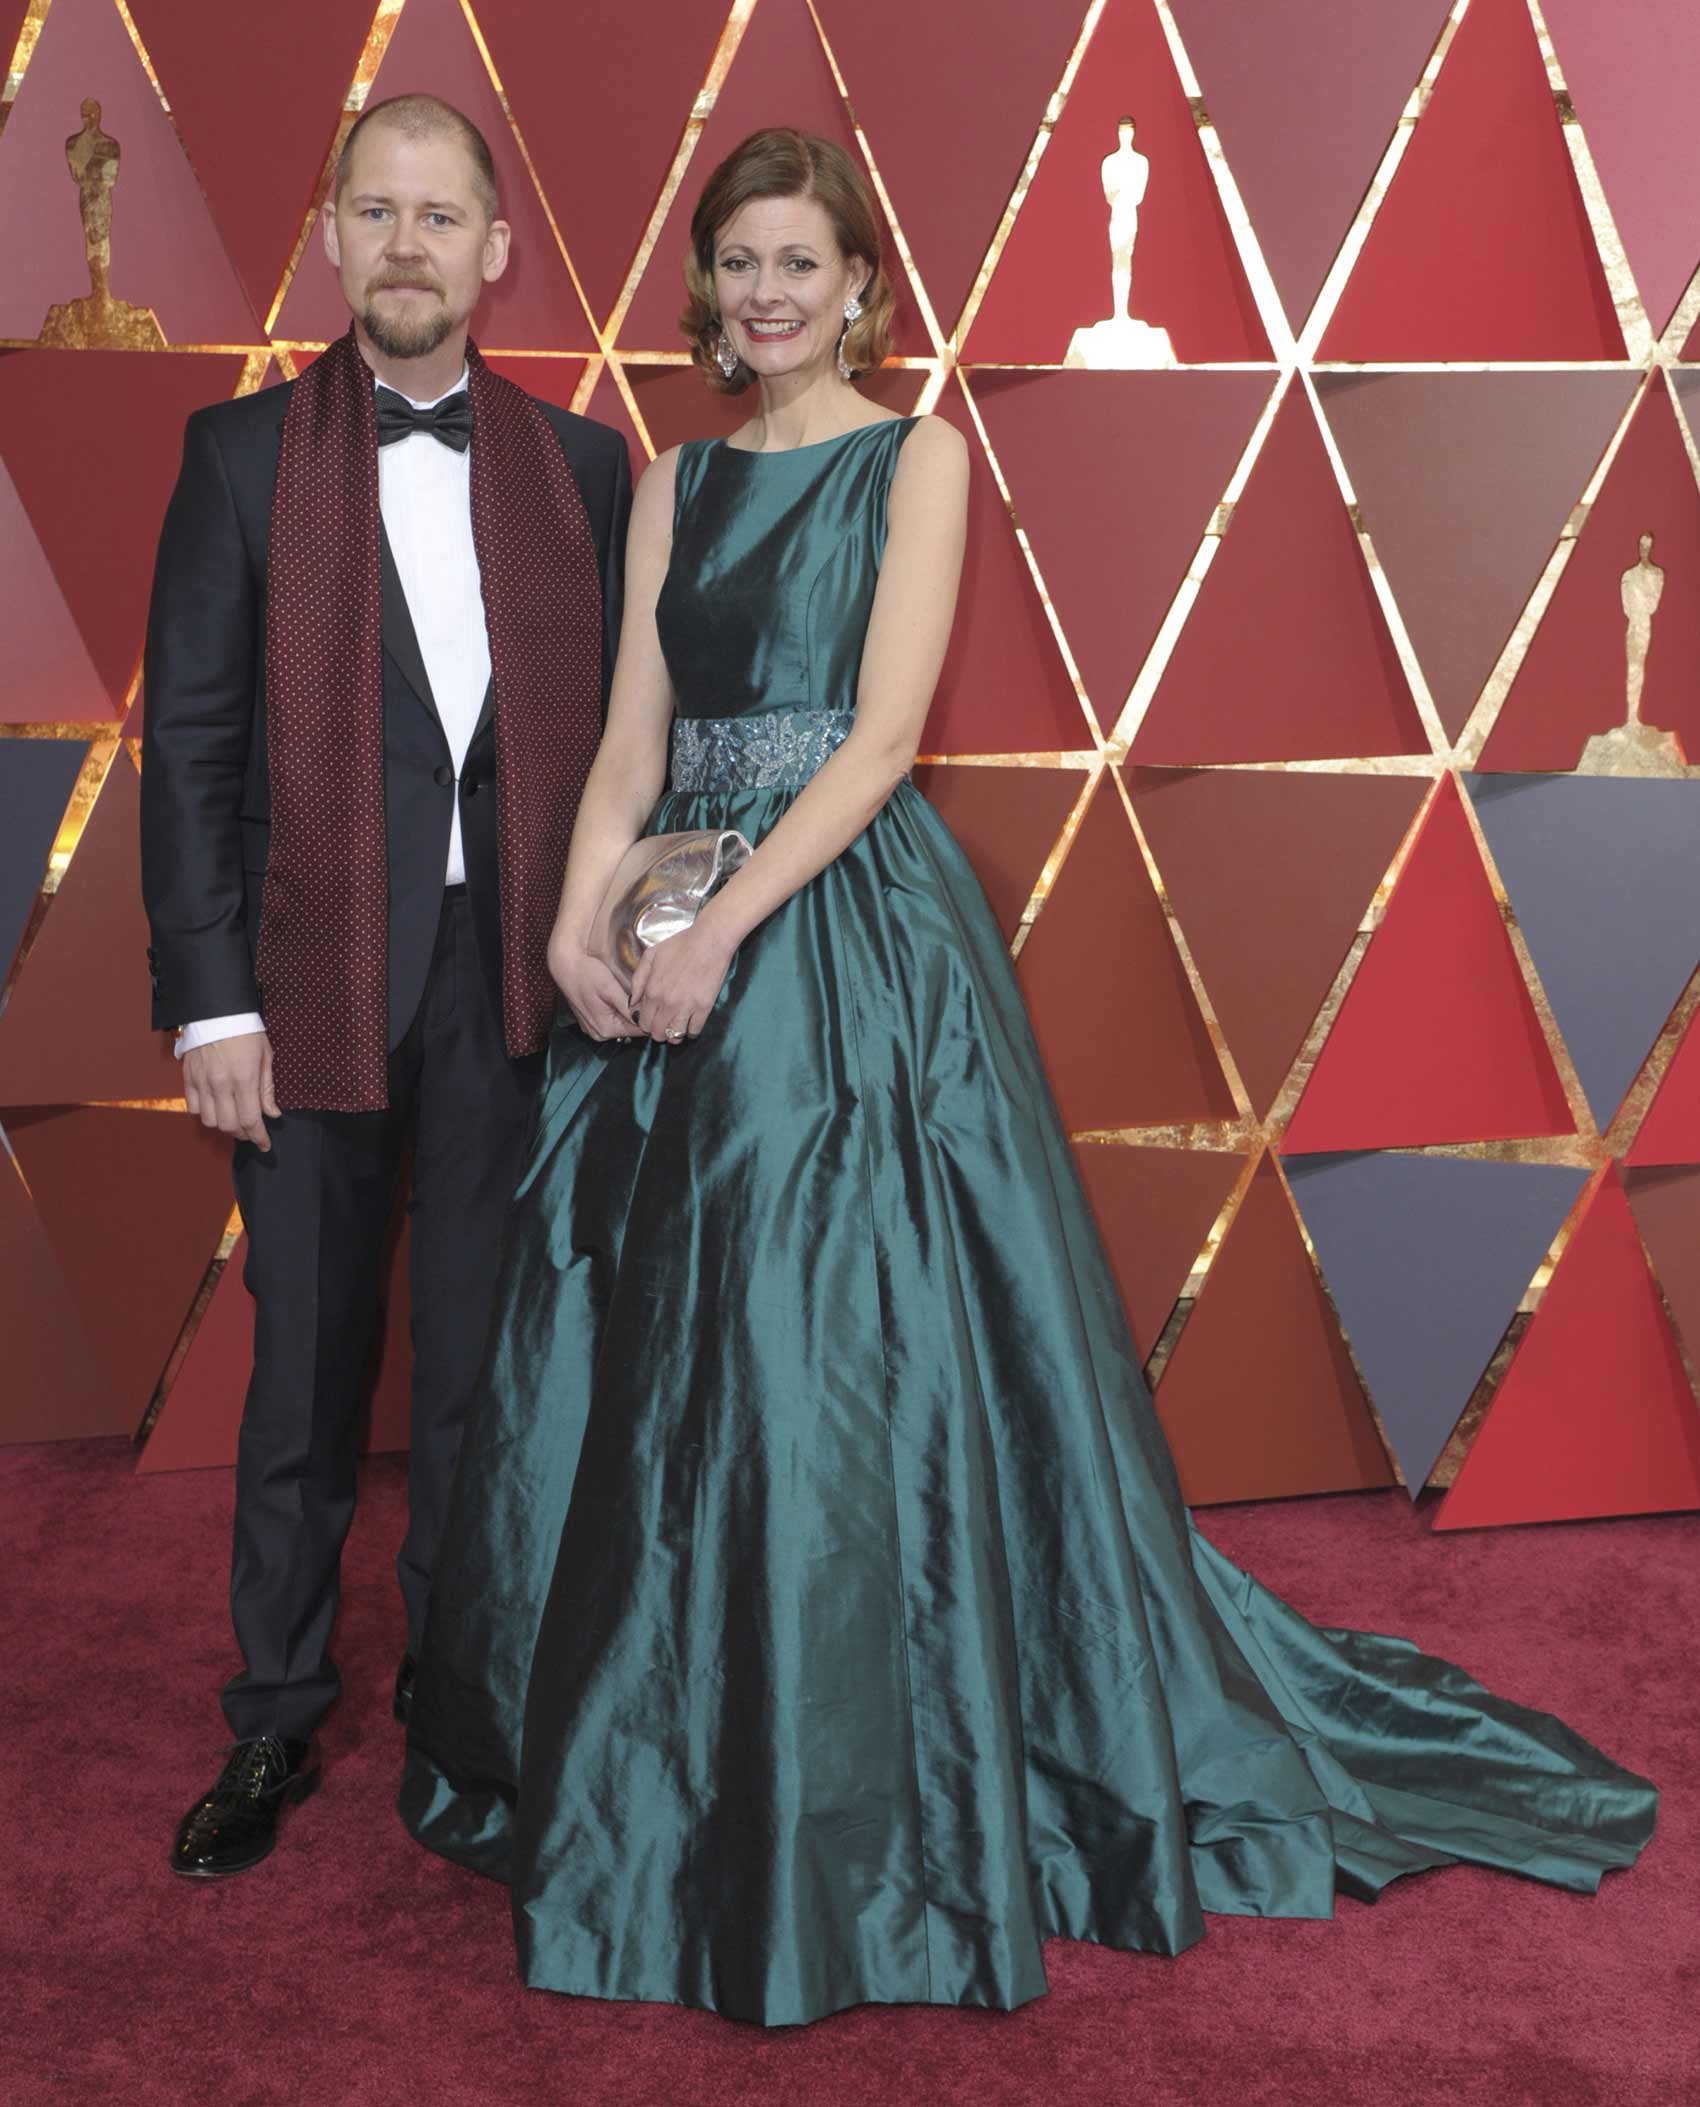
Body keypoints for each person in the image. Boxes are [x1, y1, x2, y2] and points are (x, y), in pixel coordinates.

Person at [401, 127, 1655, 2025]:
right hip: (669, 937)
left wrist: (724, 924)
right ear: (709, 290)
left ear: (861, 284)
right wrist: (579, 927)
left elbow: (886, 736)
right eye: (737, 264)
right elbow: (632, 736)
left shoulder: (920, 459)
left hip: (834, 939)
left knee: (830, 1353)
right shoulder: (665, 483)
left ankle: (870, 1751)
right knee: (650, 1356)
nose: (765, 295)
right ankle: (664, 1754)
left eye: (798, 262)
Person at [140, 92, 630, 1880]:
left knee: (482, 1384)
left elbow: (621, 761)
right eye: (379, 212)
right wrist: (211, 1008)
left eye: (443, 215)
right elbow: (188, 750)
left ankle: (461, 1700)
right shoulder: (239, 460)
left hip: (517, 987)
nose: (409, 244)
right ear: (335, 240)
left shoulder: (584, 470)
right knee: (307, 1382)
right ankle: (272, 1721)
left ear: (496, 253)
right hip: (310, 990)